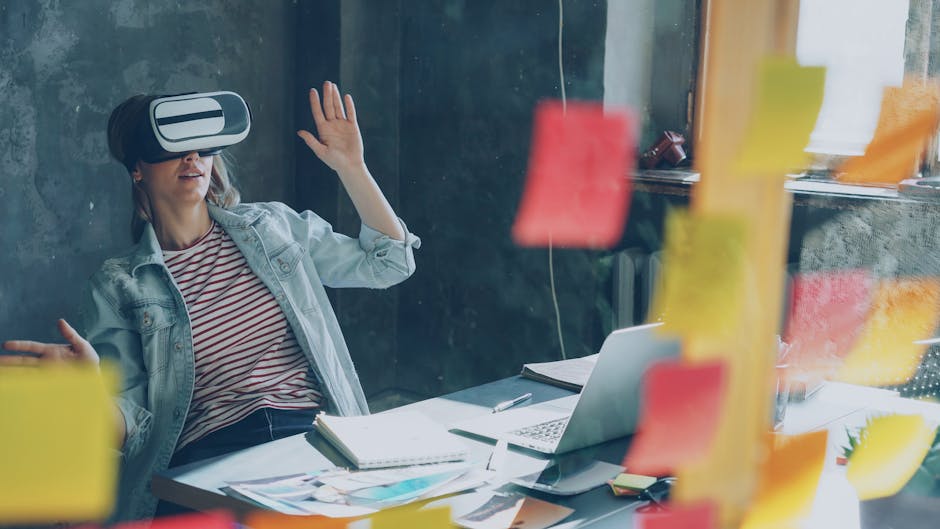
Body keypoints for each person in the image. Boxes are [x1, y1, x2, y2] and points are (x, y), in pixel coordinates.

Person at [2, 81, 420, 522]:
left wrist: (352, 167)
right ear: (137, 168)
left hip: (313, 441)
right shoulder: (118, 285)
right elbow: (137, 429)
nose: (192, 157)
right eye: (172, 146)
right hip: (210, 463)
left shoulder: (271, 228)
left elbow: (389, 263)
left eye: (202, 145)